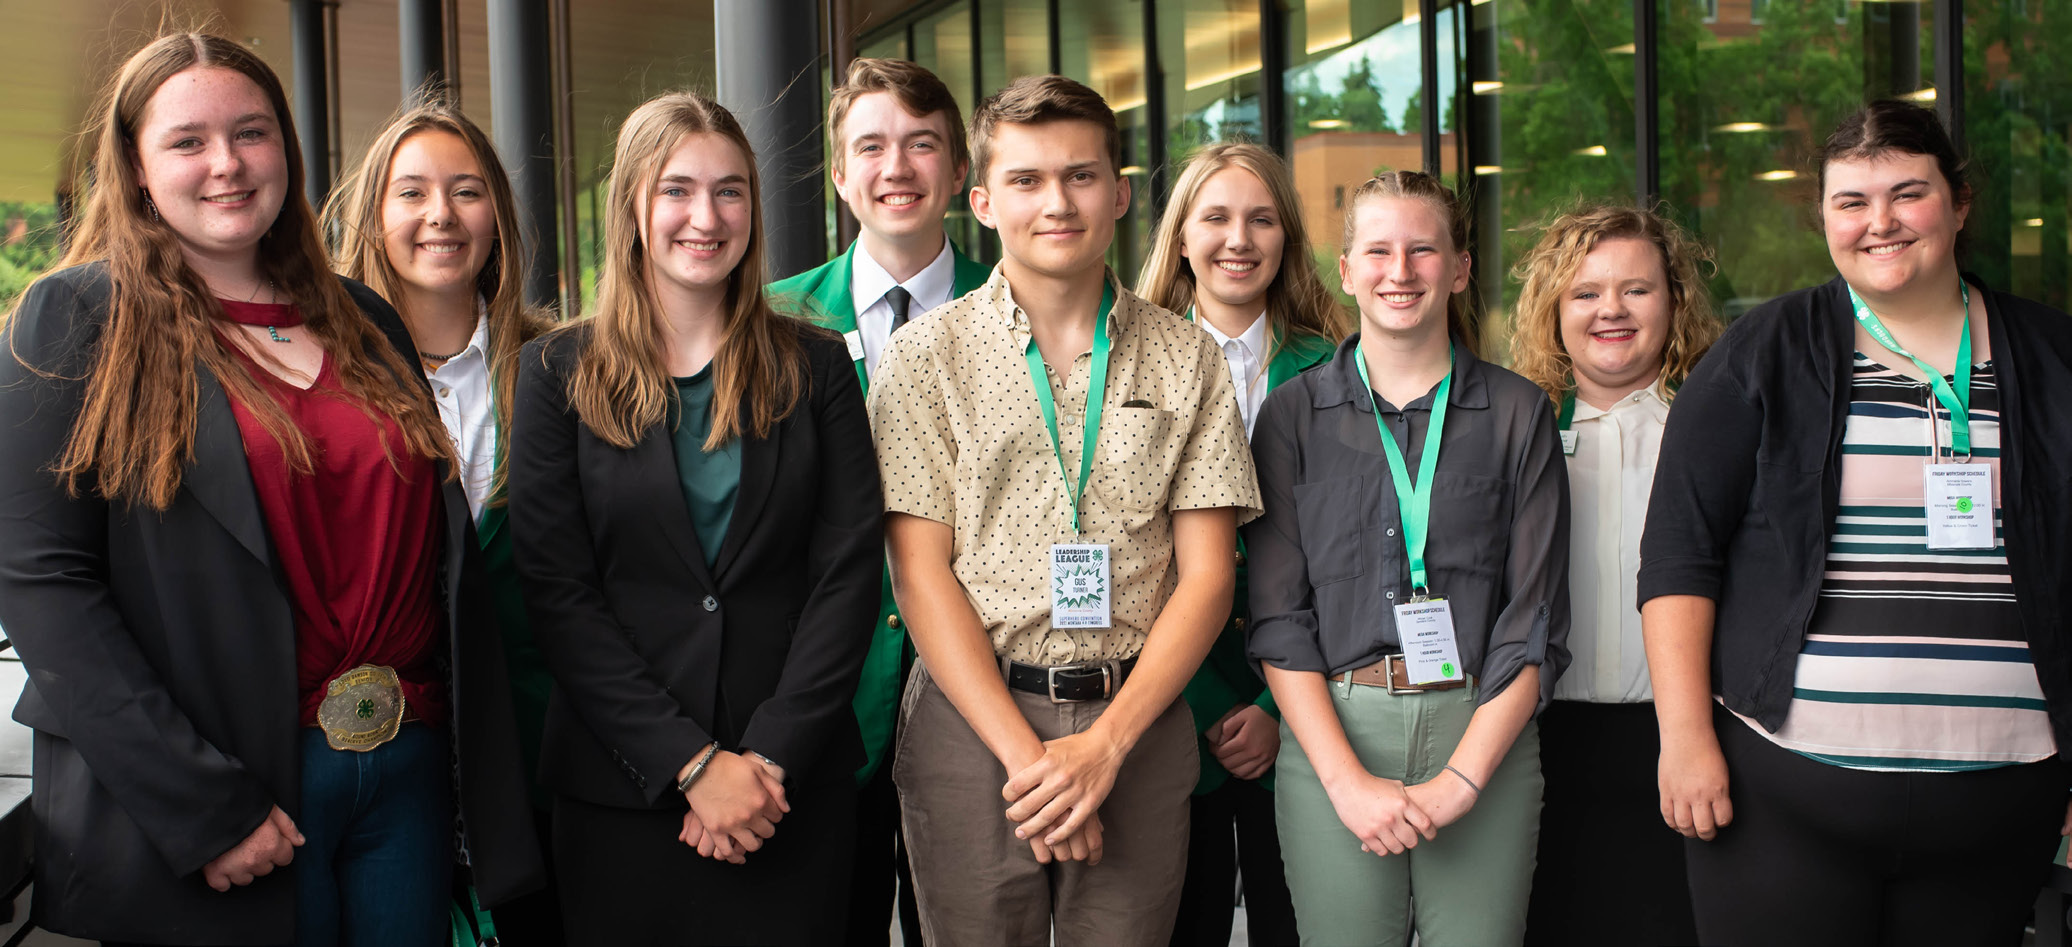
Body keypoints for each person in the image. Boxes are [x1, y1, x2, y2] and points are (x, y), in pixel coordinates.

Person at [0, 32, 542, 945]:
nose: (227, 164)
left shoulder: (363, 316)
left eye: (252, 133)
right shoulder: (74, 319)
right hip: (233, 796)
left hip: (405, 773)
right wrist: (202, 807)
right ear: (134, 168)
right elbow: (45, 586)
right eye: (187, 141)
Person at [1641, 99, 2072, 947]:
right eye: (1851, 201)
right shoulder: (1761, 350)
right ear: (1824, 217)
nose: (1880, 223)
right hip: (1784, 797)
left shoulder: (2053, 356)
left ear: (1959, 202)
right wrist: (1685, 738)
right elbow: (1680, 553)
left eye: (1907, 194)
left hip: (2000, 805)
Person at [868, 74, 1260, 946]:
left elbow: (1207, 576)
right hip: (974, 726)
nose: (1058, 202)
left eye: (1082, 176)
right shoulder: (923, 359)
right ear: (981, 199)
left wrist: (1104, 749)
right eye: (1027, 180)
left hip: (1140, 718)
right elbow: (919, 573)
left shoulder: (1187, 359)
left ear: (1119, 193)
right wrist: (1035, 765)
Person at [506, 90, 881, 945]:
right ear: (633, 206)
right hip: (622, 790)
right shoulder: (556, 373)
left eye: (729, 190)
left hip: (787, 792)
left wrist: (767, 757)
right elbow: (559, 596)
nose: (704, 216)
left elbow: (849, 573)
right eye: (676, 190)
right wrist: (692, 763)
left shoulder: (816, 368)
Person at [1246, 170, 1569, 947]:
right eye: (1379, 251)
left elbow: (1535, 620)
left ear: (1458, 269)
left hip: (1480, 725)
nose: (1401, 271)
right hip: (1337, 729)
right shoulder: (1290, 417)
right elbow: (1280, 619)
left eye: (1424, 250)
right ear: (1346, 268)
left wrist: (1464, 778)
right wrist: (1346, 783)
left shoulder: (1520, 411)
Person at [322, 96, 563, 940]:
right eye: (412, 192)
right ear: (372, 216)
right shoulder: (324, 382)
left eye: (466, 191)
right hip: (390, 763)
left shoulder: (561, 366)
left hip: (545, 757)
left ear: (497, 213)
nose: (440, 216)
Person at [764, 57, 990, 946]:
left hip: (982, 701)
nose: (896, 167)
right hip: (822, 710)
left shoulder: (1021, 307)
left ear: (959, 171)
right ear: (841, 172)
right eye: (872, 146)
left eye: (922, 143)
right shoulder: (775, 322)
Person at [1135, 140, 1349, 947]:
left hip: (1304, 706)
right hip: (1167, 708)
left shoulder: (1339, 372)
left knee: (1296, 924)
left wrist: (1274, 709)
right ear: (1181, 238)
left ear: (1287, 238)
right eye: (1216, 217)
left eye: (1262, 219)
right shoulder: (1120, 368)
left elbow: (1355, 561)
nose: (1239, 238)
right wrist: (1204, 705)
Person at [1505, 204, 1719, 946]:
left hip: (1686, 744)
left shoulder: (1716, 425)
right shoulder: (1514, 427)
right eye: (1586, 292)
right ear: (1553, 308)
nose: (1612, 311)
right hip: (1537, 744)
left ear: (1675, 300)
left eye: (1637, 289)